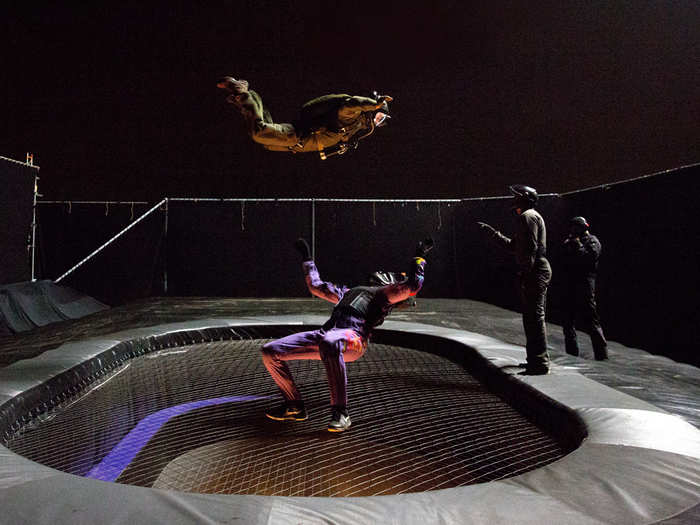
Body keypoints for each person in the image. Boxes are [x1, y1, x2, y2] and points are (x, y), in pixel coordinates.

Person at [260, 237, 433, 432]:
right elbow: (316, 286)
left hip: (353, 339)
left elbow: (412, 286)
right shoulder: (346, 292)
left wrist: (419, 257)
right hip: (325, 335)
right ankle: (294, 405)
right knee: (270, 351)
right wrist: (307, 258)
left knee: (330, 341)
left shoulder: (383, 295)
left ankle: (341, 413)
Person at [217, 76, 392, 159]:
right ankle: (242, 93)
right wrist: (373, 104)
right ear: (370, 110)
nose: (379, 122)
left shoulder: (356, 127)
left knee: (265, 141)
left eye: (382, 121)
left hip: (297, 145)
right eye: (380, 116)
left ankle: (250, 95)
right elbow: (352, 102)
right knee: (259, 133)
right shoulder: (351, 115)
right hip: (298, 135)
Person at [477, 185, 552, 375]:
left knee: (534, 317)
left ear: (525, 199)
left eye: (517, 197)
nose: (514, 200)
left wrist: (526, 273)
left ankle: (540, 362)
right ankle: (535, 359)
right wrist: (494, 234)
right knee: (532, 318)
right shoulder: (527, 217)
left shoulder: (527, 217)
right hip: (535, 270)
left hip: (535, 271)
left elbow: (530, 250)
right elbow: (515, 246)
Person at [561, 216, 608, 360]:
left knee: (591, 321)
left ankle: (601, 355)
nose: (572, 230)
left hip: (585, 285)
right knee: (567, 322)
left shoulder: (592, 241)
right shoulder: (571, 241)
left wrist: (578, 246)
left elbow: (589, 258)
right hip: (571, 285)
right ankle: (571, 354)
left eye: (575, 227)